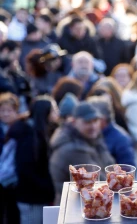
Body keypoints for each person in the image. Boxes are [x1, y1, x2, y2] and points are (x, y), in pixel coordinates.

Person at [49, 102, 115, 205]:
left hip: (84, 202)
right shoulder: (73, 148)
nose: (93, 126)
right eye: (87, 122)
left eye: (95, 120)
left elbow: (111, 166)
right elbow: (103, 181)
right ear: (74, 122)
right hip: (72, 206)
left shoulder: (91, 138)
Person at [12, 96, 58, 224]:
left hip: (38, 195)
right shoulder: (29, 136)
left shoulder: (41, 132)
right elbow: (24, 169)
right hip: (31, 197)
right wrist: (48, 187)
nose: (57, 113)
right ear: (45, 112)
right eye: (54, 110)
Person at [87, 96, 135, 166]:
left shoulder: (121, 139)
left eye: (94, 119)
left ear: (103, 119)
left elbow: (128, 169)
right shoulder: (92, 134)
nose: (90, 123)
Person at [0, 93, 21, 224]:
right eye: (2, 111)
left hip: (14, 178)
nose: (6, 114)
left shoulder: (20, 128)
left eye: (10, 111)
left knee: (13, 211)